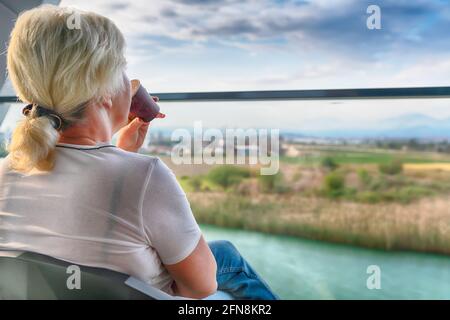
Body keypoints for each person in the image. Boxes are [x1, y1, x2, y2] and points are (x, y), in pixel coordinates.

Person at [0, 5, 278, 300]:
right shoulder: (146, 177)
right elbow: (201, 287)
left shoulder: (6, 172)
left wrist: (122, 154)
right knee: (226, 257)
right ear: (103, 90)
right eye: (121, 68)